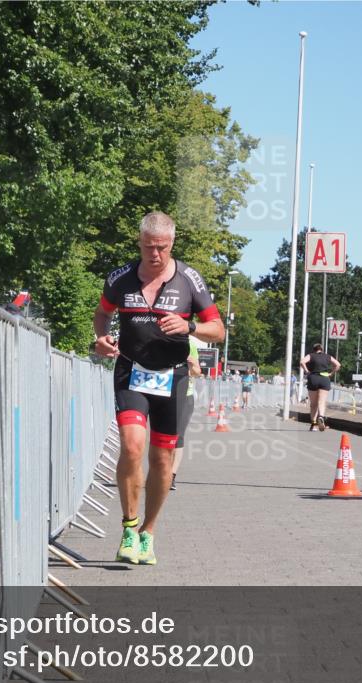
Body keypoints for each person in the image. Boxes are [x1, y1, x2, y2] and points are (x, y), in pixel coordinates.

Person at [93, 211, 225, 565]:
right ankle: (129, 527)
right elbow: (102, 313)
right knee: (131, 446)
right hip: (131, 370)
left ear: (172, 243)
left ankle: (148, 533)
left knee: (162, 459)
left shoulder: (189, 280)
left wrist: (190, 328)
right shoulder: (120, 278)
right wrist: (101, 337)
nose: (155, 254)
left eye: (162, 248)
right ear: (139, 242)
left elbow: (218, 330)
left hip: (174, 375)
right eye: (149, 247)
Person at [171, 335, 204, 491]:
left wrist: (190, 364)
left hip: (185, 395)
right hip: (163, 394)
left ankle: (171, 475)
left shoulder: (190, 345)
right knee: (164, 435)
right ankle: (160, 471)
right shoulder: (160, 340)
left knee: (178, 435)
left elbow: (197, 372)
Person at [300, 344, 340, 431]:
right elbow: (338, 365)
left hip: (313, 378)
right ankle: (321, 416)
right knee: (322, 401)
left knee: (313, 404)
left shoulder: (311, 355)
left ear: (314, 349)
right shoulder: (328, 356)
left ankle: (314, 424)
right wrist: (331, 373)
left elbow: (302, 362)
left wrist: (307, 371)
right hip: (324, 379)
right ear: (322, 349)